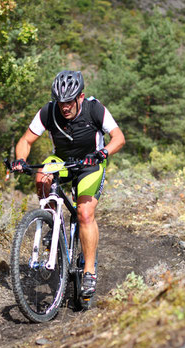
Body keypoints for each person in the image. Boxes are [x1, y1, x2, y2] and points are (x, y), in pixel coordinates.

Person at [11, 70, 125, 297]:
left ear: (80, 97)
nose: (64, 107)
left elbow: (118, 138)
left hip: (90, 163)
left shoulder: (95, 109)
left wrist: (102, 153)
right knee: (42, 175)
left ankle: (89, 271)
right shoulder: (48, 111)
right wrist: (20, 160)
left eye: (69, 102)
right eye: (61, 102)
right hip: (62, 160)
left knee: (84, 213)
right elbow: (26, 140)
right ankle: (52, 220)